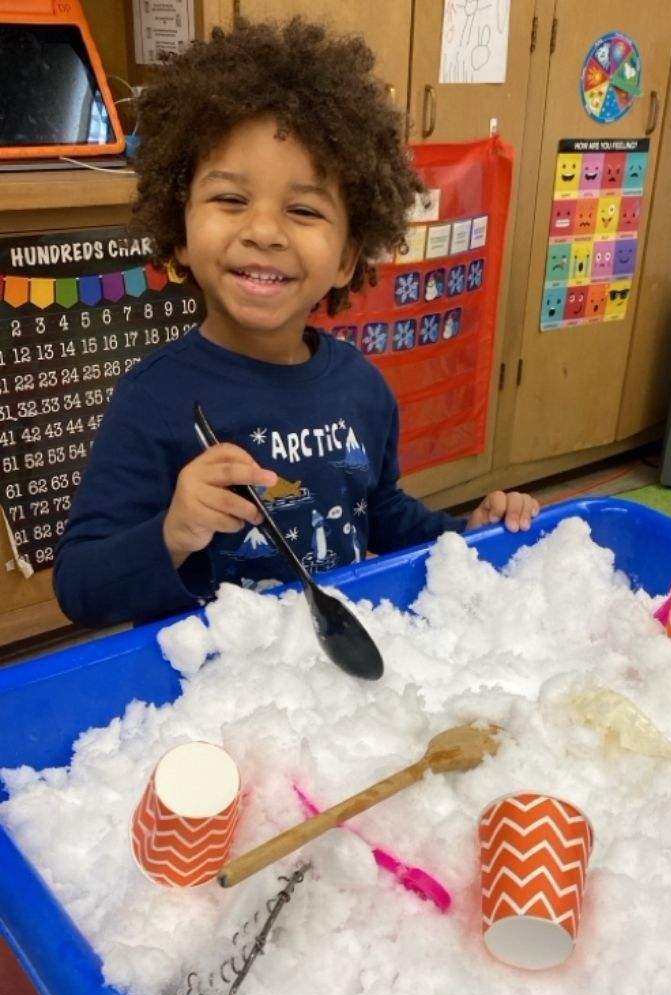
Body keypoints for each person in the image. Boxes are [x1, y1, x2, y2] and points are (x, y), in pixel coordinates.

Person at [54, 17, 538, 629]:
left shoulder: (361, 388)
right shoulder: (152, 399)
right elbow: (80, 586)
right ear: (179, 232)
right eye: (230, 199)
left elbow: (380, 511)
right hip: (212, 676)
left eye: (304, 210)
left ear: (347, 258)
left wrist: (465, 537)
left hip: (328, 664)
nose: (264, 231)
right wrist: (173, 531)